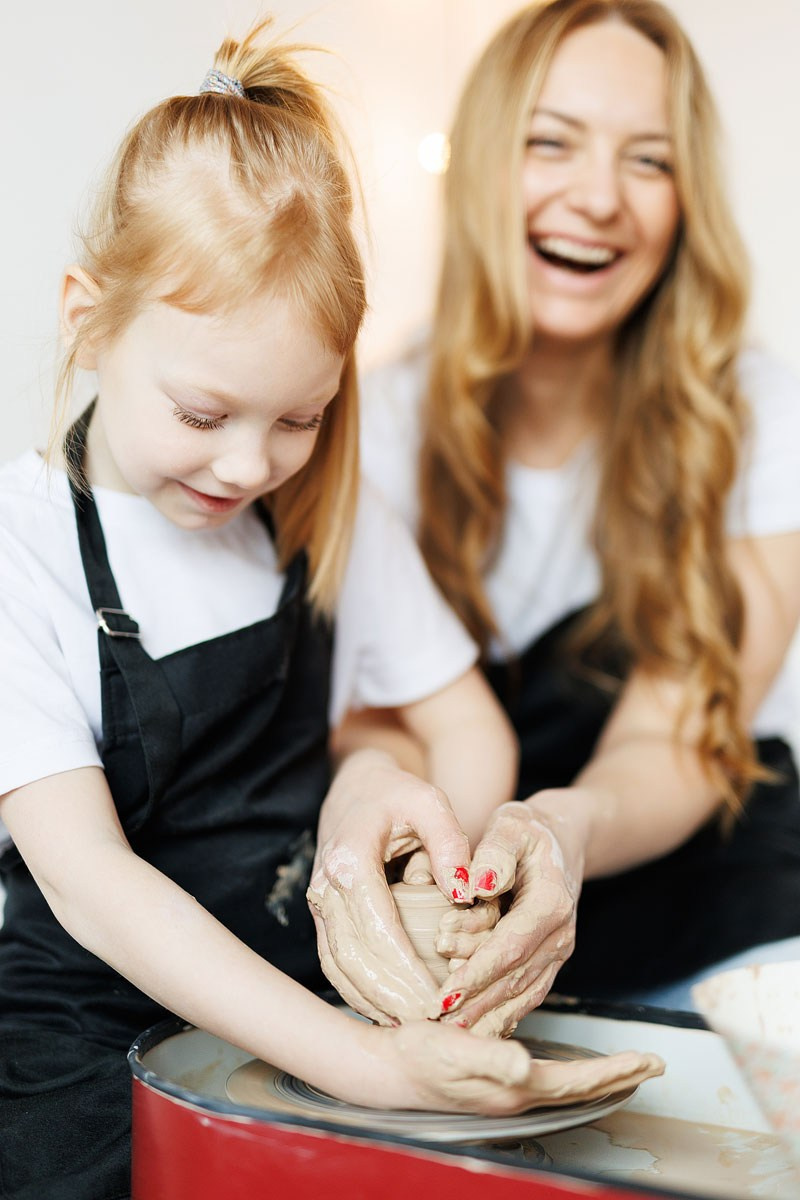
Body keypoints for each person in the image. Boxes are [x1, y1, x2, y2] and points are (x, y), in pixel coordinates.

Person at [0, 21, 667, 1200]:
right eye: (205, 414)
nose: (250, 465)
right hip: (89, 1056)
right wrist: (363, 1067)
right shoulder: (25, 545)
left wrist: (427, 878)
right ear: (86, 317)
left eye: (299, 418)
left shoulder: (322, 517)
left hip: (310, 1019)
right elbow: (94, 884)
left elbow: (469, 730)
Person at [319, 0, 800, 1033]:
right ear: (484, 162)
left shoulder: (754, 418)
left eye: (648, 162)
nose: (596, 199)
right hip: (454, 925)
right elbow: (365, 720)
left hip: (704, 911)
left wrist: (557, 827)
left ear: (685, 204)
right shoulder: (377, 422)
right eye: (550, 143)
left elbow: (679, 735)